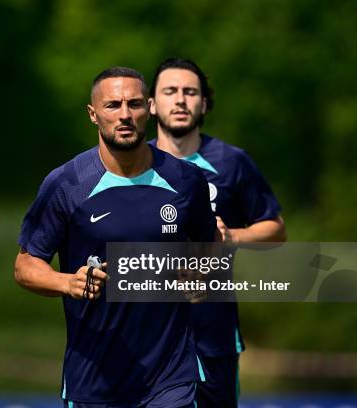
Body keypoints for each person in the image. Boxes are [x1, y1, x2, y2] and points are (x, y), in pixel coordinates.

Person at [15, 67, 216, 407]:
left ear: (149, 108)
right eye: (112, 106)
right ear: (93, 114)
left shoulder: (186, 180)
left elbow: (209, 247)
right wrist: (67, 283)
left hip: (170, 376)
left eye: (134, 104)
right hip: (94, 379)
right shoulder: (66, 184)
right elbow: (25, 265)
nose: (125, 114)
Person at [149, 57, 286, 407]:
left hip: (214, 334)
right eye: (170, 91)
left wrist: (231, 238)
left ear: (204, 103)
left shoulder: (232, 161)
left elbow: (275, 229)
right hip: (147, 335)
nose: (180, 100)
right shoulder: (134, 163)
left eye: (190, 92)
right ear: (151, 104)